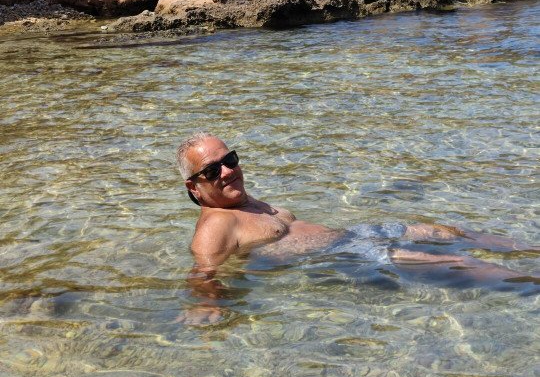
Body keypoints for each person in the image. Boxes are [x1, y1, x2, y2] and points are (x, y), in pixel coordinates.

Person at [177, 134, 535, 317]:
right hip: (347, 255)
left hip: (356, 235)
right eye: (212, 170)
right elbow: (202, 269)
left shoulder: (245, 203)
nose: (227, 171)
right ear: (194, 187)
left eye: (230, 159)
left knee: (450, 233)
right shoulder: (216, 223)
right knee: (461, 264)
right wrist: (209, 304)